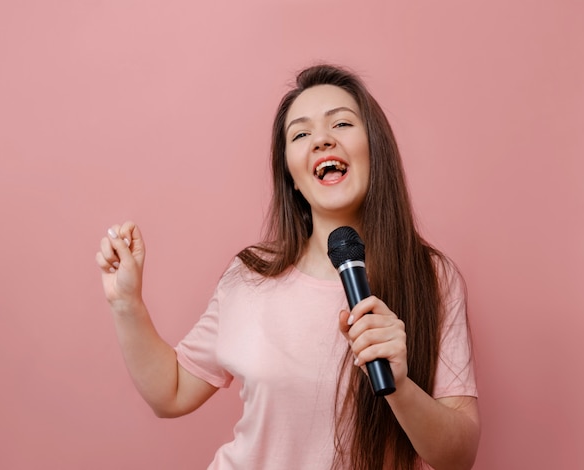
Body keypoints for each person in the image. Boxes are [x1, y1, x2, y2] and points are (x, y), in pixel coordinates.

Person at [95, 64, 480, 470]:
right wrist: (126, 304)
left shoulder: (431, 277)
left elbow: (458, 457)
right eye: (301, 134)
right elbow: (170, 392)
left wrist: (399, 386)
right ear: (292, 176)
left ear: (376, 149)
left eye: (342, 123)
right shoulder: (249, 277)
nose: (322, 140)